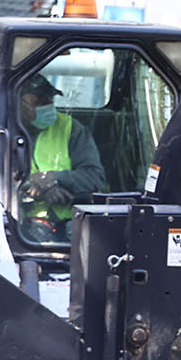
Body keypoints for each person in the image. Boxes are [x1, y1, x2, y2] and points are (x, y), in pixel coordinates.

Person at [18, 73, 106, 239]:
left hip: (69, 220)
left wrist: (54, 178)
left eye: (51, 100)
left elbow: (95, 178)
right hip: (19, 222)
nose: (49, 106)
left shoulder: (70, 128)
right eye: (40, 102)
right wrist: (35, 187)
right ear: (18, 103)